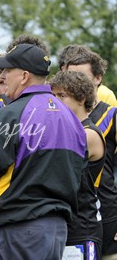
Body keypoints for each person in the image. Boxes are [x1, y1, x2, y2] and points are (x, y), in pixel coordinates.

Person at [0, 44, 87, 259]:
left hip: (17, 229)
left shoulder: (10, 114)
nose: (2, 76)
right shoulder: (71, 117)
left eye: (7, 71)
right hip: (56, 231)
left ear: (24, 76)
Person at [62, 47, 117, 259]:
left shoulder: (111, 114)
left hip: (108, 213)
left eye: (81, 77)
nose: (75, 83)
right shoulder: (58, 116)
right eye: (70, 77)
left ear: (97, 78)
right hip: (73, 218)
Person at [49, 70, 105, 260]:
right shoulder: (65, 129)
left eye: (62, 96)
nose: (55, 101)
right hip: (62, 226)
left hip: (83, 228)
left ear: (81, 98)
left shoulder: (87, 134)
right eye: (53, 95)